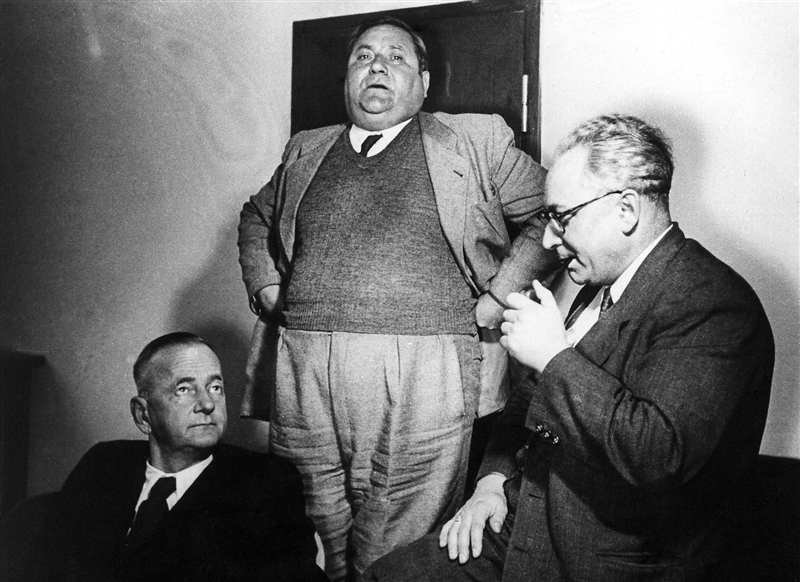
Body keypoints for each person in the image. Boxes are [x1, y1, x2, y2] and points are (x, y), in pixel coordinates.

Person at [360, 114, 775, 582]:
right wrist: (491, 482)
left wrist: (554, 357)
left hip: (611, 563)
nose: (549, 239)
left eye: (562, 217)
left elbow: (657, 455)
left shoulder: (714, 303)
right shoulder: (599, 285)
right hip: (521, 527)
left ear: (626, 209)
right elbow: (529, 401)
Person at [237, 15, 557, 581]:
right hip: (303, 371)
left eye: (395, 56)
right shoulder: (307, 148)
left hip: (426, 372)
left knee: (396, 547)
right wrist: (265, 283)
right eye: (363, 56)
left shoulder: (476, 140)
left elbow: (553, 213)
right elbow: (256, 215)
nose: (377, 66)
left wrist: (499, 294)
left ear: (424, 83)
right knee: (308, 533)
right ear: (346, 79)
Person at [9, 332, 327, 582]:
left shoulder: (265, 482)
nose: (207, 403)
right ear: (143, 415)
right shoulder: (104, 464)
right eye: (184, 390)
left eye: (215, 387)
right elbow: (47, 565)